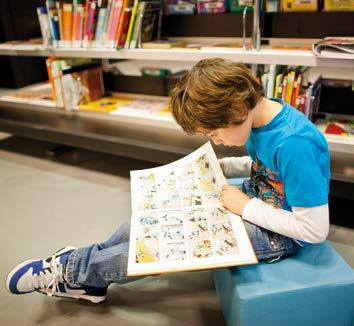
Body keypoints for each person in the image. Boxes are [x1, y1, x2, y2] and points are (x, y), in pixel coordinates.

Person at [6, 58, 330, 303]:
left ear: (237, 109)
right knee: (153, 217)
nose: (215, 141)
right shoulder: (266, 115)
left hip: (279, 234)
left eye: (214, 133)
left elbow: (313, 230)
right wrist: (225, 166)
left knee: (161, 245)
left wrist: (246, 207)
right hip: (255, 197)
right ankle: (90, 269)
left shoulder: (293, 144)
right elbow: (269, 167)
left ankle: (72, 272)